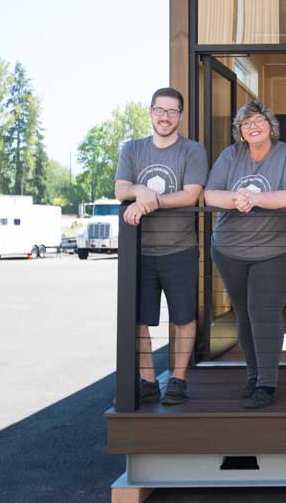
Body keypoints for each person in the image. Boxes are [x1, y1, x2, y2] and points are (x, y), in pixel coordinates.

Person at [204, 100, 286, 410]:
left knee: (263, 310)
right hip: (230, 249)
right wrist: (236, 199)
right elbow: (210, 193)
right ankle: (253, 376)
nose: (253, 126)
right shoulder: (230, 155)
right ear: (240, 130)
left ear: (270, 125)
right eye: (246, 123)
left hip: (279, 248)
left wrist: (256, 197)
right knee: (244, 313)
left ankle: (266, 383)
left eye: (259, 120)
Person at [114, 87, 208, 406]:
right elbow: (120, 189)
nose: (165, 117)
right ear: (150, 111)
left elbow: (190, 195)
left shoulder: (192, 151)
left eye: (172, 112)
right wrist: (140, 190)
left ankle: (178, 380)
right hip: (141, 253)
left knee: (183, 318)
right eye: (160, 110)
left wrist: (147, 204)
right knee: (139, 320)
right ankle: (149, 381)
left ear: (180, 116)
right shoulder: (133, 149)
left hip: (179, 249)